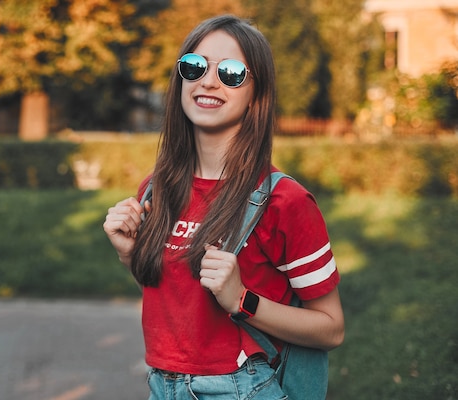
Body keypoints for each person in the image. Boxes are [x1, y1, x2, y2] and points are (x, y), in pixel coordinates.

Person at [103, 14, 344, 399]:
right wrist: (129, 254)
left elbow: (331, 328)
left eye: (231, 72)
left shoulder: (285, 201)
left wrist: (241, 299)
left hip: (241, 389)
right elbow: (178, 303)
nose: (208, 81)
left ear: (256, 94)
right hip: (162, 385)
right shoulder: (156, 190)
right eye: (194, 67)